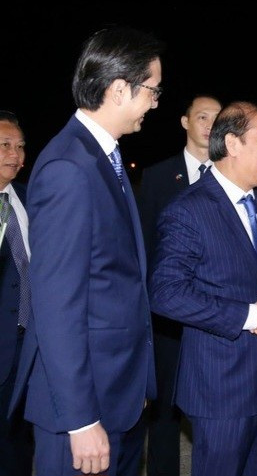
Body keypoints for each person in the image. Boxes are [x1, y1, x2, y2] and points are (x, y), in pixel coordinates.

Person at [10, 26, 164, 476]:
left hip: (119, 396)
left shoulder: (101, 159)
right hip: (82, 412)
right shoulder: (69, 168)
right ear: (119, 89)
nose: (156, 103)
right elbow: (57, 303)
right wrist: (81, 419)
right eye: (152, 90)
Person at [149, 101, 257, 476]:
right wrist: (250, 315)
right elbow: (166, 292)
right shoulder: (189, 209)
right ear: (233, 143)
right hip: (222, 390)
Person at [138, 93, 222, 476]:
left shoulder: (232, 175)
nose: (209, 125)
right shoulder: (157, 176)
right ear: (185, 122)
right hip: (168, 317)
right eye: (202, 117)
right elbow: (145, 245)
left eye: (217, 119)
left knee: (214, 411)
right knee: (165, 411)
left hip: (216, 315)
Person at [0, 111, 33, 476]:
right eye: (5, 146)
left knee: (20, 442)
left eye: (21, 147)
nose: (16, 155)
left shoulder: (29, 198)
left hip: (30, 345)